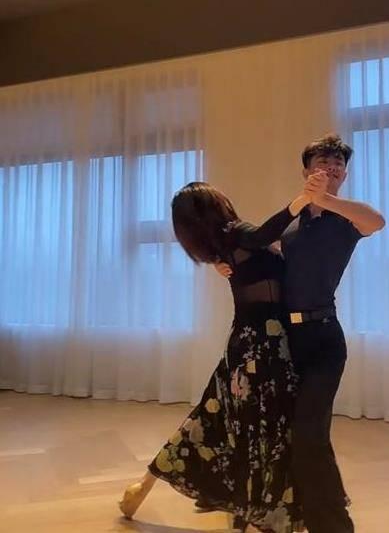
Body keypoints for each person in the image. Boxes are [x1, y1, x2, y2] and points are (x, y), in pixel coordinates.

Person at [216, 133, 386, 533]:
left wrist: (324, 199)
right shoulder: (290, 227)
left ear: (344, 174)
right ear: (306, 171)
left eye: (337, 164)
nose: (330, 168)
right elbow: (261, 257)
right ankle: (281, 512)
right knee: (283, 430)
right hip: (284, 342)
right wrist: (226, 267)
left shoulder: (348, 220)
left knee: (311, 432)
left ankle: (333, 525)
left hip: (324, 339)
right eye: (322, 162)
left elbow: (377, 221)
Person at [118, 181, 311, 532]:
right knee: (262, 425)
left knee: (214, 415)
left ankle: (141, 489)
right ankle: (258, 508)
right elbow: (263, 234)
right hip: (265, 345)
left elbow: (259, 247)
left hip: (246, 342)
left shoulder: (221, 246)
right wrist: (299, 203)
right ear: (213, 205)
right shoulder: (234, 232)